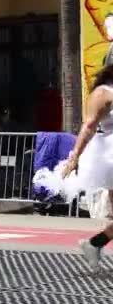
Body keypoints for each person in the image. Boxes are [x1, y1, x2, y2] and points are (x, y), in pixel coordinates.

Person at [63, 64, 113, 272]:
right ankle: (94, 244)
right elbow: (89, 125)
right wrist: (75, 157)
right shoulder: (104, 93)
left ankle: (94, 244)